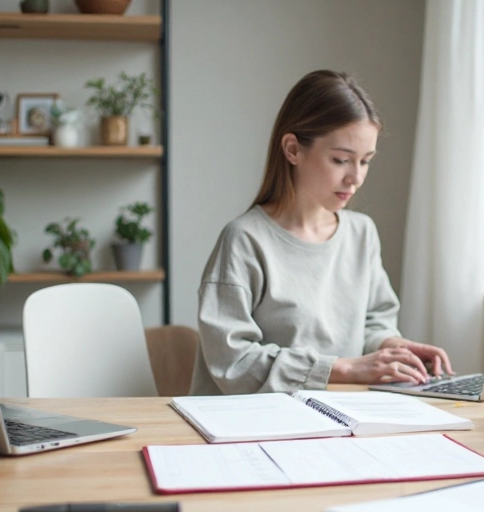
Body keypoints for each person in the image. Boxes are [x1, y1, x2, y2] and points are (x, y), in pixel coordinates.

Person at [190, 70, 454, 396]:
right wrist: (342, 368)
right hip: (248, 427)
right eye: (341, 160)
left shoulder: (362, 234)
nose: (355, 177)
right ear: (292, 149)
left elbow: (373, 322)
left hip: (335, 418)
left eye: (366, 161)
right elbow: (234, 363)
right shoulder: (244, 241)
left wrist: (393, 348)